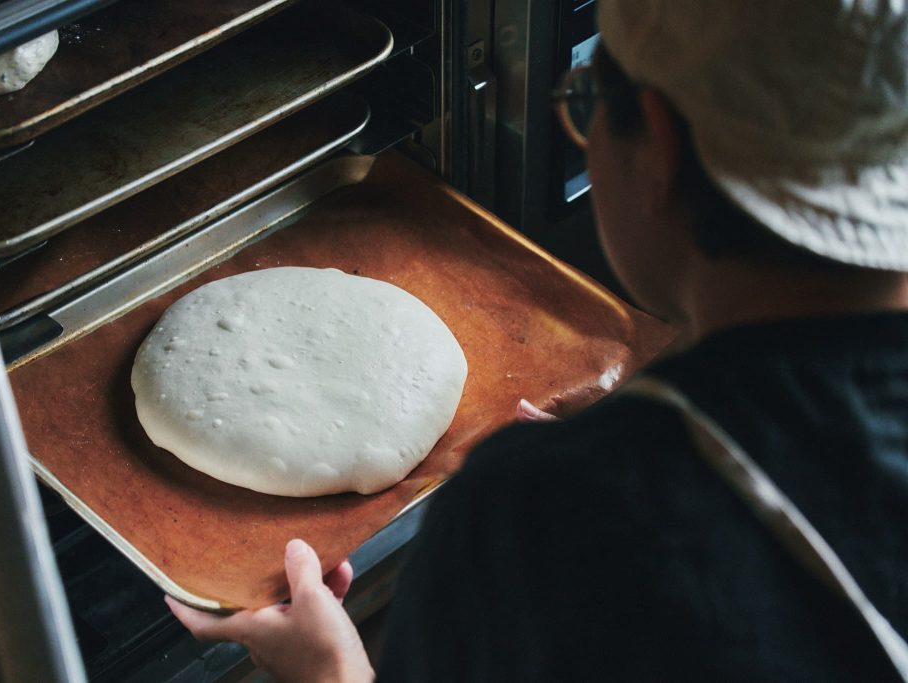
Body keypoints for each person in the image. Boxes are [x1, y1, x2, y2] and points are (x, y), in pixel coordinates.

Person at [167, 0, 908, 679]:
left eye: (585, 102)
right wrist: (615, 462)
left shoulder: (537, 517)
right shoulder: (567, 503)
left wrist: (330, 670)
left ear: (657, 146)